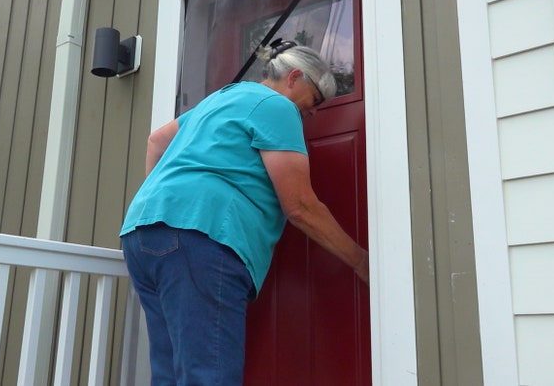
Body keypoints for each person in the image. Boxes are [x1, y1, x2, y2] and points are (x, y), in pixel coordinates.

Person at [119, 39, 369, 385]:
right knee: (209, 375)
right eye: (314, 102)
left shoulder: (223, 98)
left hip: (142, 232)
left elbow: (157, 140)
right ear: (294, 77)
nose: (312, 113)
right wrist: (359, 260)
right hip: (201, 239)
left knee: (170, 372)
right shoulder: (277, 107)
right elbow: (300, 206)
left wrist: (167, 203)